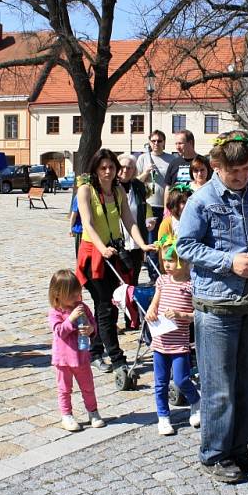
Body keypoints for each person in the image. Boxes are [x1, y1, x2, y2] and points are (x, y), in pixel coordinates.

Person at [177, 130, 248, 484]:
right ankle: (214, 454)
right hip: (217, 304)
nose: (241, 176)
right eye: (233, 171)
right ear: (215, 166)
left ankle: (240, 447)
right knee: (219, 386)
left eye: (246, 169)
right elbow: (185, 247)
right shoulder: (202, 201)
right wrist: (229, 261)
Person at [77, 149, 154, 373]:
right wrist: (102, 248)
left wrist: (142, 244)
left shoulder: (118, 189)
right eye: (104, 168)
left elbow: (129, 221)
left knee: (108, 305)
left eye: (111, 167)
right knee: (105, 307)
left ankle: (95, 351)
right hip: (94, 254)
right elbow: (88, 223)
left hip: (113, 252)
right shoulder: (85, 190)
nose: (108, 172)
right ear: (96, 169)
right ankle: (117, 358)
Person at [145, 236, 201, 436]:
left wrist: (180, 315)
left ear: (185, 262)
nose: (166, 265)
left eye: (171, 261)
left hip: (179, 344)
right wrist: (150, 311)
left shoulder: (191, 285)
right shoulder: (162, 280)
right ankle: (163, 416)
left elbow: (198, 315)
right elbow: (155, 302)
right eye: (164, 260)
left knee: (181, 379)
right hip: (160, 341)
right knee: (160, 383)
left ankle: (196, 401)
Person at [48, 269, 106, 432]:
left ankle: (93, 412)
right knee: (64, 389)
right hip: (63, 359)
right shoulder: (55, 312)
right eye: (71, 295)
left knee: (88, 386)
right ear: (58, 294)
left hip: (81, 356)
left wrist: (90, 330)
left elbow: (93, 324)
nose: (76, 298)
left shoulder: (82, 307)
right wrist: (71, 319)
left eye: (77, 293)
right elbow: (59, 332)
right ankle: (66, 415)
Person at [118, 154, 154, 285]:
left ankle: (131, 304)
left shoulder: (138, 186)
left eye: (130, 167)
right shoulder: (110, 187)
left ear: (134, 170)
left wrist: (148, 221)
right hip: (117, 242)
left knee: (133, 280)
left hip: (136, 241)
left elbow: (143, 208)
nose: (126, 170)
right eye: (122, 167)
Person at [137, 130, 175, 240]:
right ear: (149, 142)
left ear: (164, 142)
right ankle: (151, 258)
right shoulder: (143, 158)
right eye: (153, 141)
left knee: (165, 239)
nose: (156, 143)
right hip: (149, 206)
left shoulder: (171, 159)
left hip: (167, 206)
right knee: (151, 240)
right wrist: (146, 173)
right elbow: (136, 182)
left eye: (159, 141)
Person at [164, 129, 208, 200]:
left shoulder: (203, 162)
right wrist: (166, 209)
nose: (177, 147)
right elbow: (168, 187)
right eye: (176, 144)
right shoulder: (174, 163)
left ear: (190, 143)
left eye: (180, 143)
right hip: (176, 207)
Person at [68, 176, 85, 257]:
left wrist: (70, 229)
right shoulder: (78, 197)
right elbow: (74, 215)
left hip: (82, 230)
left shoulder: (78, 197)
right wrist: (70, 228)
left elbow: (73, 215)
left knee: (81, 255)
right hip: (80, 229)